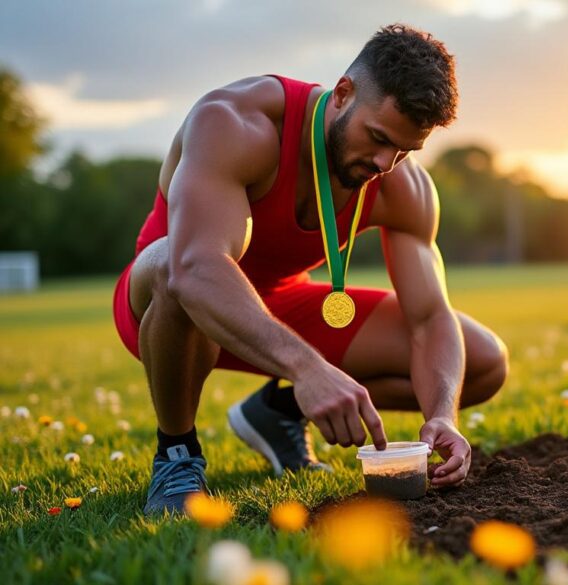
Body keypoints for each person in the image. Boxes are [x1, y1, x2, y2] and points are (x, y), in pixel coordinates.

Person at [111, 24, 508, 515]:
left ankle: (279, 412)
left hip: (279, 302)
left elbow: (429, 318)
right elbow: (197, 268)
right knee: (178, 263)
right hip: (170, 300)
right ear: (343, 93)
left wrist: (442, 415)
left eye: (405, 150)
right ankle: (177, 454)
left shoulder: (403, 183)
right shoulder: (235, 123)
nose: (386, 163)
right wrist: (307, 367)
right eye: (379, 138)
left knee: (483, 360)